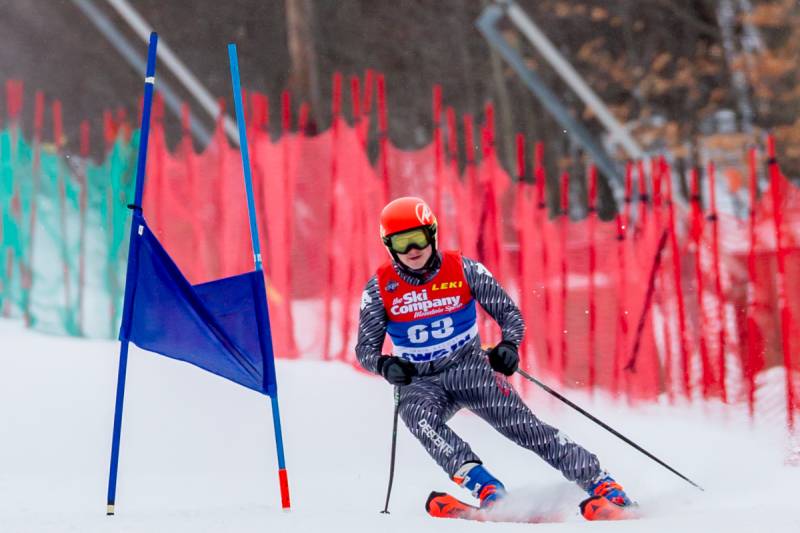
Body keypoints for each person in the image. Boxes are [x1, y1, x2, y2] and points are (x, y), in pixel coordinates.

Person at [355, 196, 632, 517]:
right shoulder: (379, 288)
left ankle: (603, 484)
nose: (412, 250)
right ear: (389, 246)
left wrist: (508, 346)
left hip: (469, 368)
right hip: (420, 379)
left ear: (432, 234)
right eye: (402, 243)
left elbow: (509, 314)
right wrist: (386, 365)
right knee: (417, 416)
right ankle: (487, 489)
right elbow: (365, 349)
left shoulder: (464, 269)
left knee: (526, 428)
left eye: (418, 238)